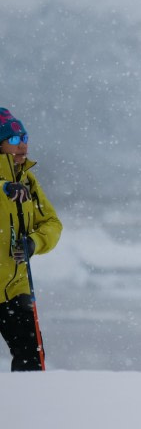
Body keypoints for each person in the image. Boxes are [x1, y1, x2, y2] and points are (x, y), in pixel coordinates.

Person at [0, 108, 62, 371]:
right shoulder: (10, 185)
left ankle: (31, 407)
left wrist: (34, 242)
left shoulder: (28, 181)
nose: (22, 144)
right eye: (13, 140)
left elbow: (52, 223)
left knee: (32, 359)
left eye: (24, 137)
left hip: (16, 288)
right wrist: (3, 187)